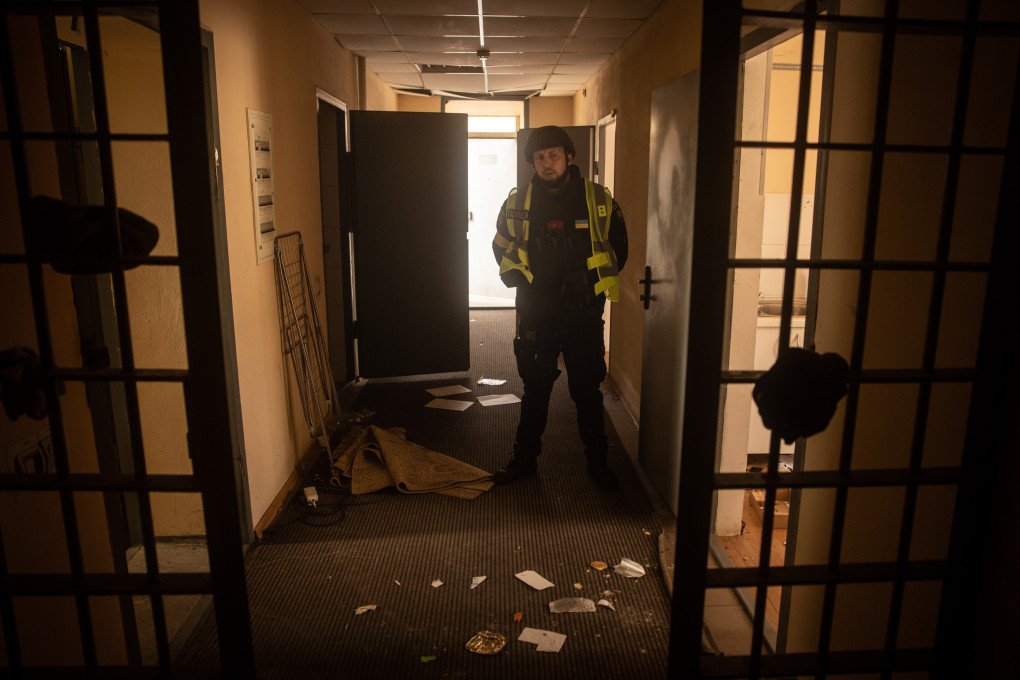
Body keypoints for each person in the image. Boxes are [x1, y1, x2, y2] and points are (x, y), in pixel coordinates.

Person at [490, 125, 628, 490]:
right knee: (536, 390)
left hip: (583, 313)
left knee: (586, 392)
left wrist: (587, 281)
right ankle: (524, 459)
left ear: (569, 156)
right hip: (537, 313)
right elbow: (500, 248)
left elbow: (619, 249)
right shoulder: (518, 204)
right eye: (539, 158)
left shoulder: (597, 200)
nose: (547, 163)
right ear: (531, 162)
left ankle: (598, 464)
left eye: (553, 155)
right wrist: (528, 282)